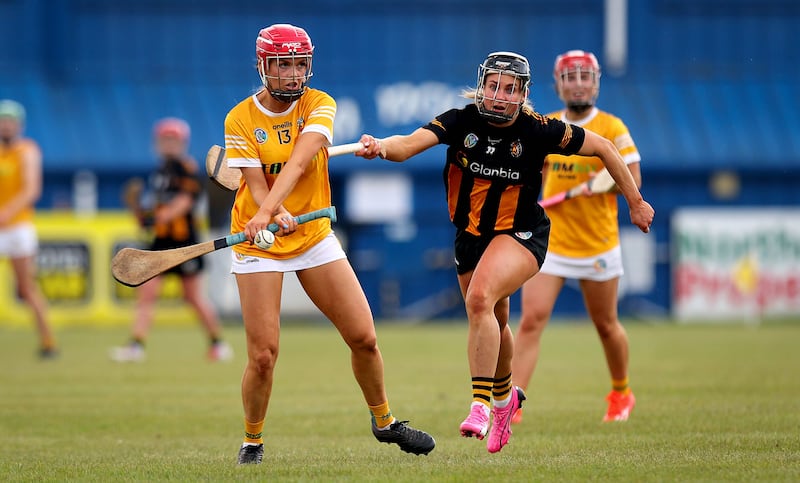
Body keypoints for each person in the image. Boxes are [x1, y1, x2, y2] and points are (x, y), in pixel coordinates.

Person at [355, 51, 654, 453]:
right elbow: (408, 144)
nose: (499, 95)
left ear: (523, 93)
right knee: (495, 318)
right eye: (493, 85)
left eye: (509, 88)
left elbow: (604, 147)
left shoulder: (540, 129)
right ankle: (505, 399)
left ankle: (480, 406)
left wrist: (635, 201)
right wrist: (379, 147)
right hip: (470, 237)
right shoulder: (460, 121)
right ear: (482, 86)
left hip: (523, 233)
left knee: (480, 300)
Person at [226, 24, 435, 465]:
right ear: (263, 65)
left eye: (300, 63)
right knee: (263, 355)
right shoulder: (239, 118)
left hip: (313, 234)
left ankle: (384, 422)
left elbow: (303, 159)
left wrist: (271, 210)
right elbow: (255, 187)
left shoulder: (320, 103)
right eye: (283, 64)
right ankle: (252, 441)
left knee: (364, 337)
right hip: (259, 240)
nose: (293, 74)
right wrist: (268, 213)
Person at [511, 50, 642, 424]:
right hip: (551, 241)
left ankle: (621, 392)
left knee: (605, 324)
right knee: (532, 320)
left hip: (598, 243)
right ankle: (513, 403)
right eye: (570, 77)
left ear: (596, 82)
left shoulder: (612, 128)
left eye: (585, 76)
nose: (578, 83)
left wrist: (602, 185)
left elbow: (635, 178)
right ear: (558, 84)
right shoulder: (545, 124)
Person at [110, 117, 233, 363]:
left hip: (184, 241)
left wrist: (159, 217)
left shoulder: (185, 168)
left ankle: (218, 344)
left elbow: (184, 202)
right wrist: (142, 215)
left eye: (173, 140)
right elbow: (153, 210)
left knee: (193, 298)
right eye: (164, 139)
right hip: (159, 241)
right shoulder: (159, 173)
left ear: (182, 143)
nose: (168, 144)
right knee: (146, 294)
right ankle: (136, 346)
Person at [0, 99, 58, 359]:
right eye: (2, 121)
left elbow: (31, 189)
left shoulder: (27, 150)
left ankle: (48, 342)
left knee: (26, 288)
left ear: (19, 125)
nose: (5, 126)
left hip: (17, 228)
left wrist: (6, 213)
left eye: (10, 121)